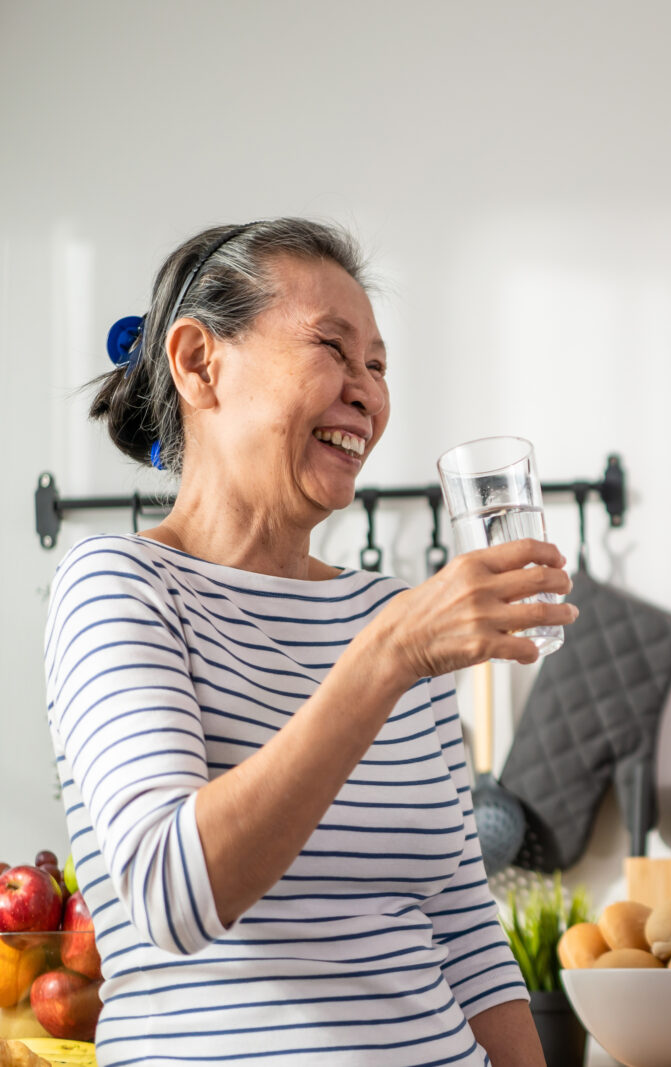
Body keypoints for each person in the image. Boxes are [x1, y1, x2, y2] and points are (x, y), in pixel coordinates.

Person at [45, 219, 576, 1065]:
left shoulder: (398, 616)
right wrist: (387, 654)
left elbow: (469, 938)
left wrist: (397, 639)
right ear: (197, 363)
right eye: (333, 346)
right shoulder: (118, 584)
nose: (367, 389)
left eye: (378, 365)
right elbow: (172, 894)